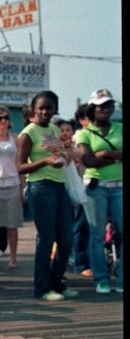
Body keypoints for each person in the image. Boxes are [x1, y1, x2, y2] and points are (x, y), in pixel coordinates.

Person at [16, 90, 77, 301]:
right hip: (41, 188)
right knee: (46, 238)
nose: (44, 111)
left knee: (66, 239)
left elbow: (57, 153)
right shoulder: (28, 132)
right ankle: (42, 288)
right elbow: (19, 167)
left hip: (59, 186)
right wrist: (44, 162)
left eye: (48, 108)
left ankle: (57, 282)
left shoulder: (54, 129)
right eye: (40, 108)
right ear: (34, 110)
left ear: (54, 109)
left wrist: (65, 156)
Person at [75, 88, 123, 295]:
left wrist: (104, 153)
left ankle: (121, 278)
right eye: (101, 106)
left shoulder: (120, 128)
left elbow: (96, 158)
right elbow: (88, 160)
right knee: (97, 234)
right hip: (96, 188)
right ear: (92, 109)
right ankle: (101, 278)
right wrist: (116, 156)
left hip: (119, 186)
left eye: (109, 105)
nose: (106, 109)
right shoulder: (84, 133)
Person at [0, 107, 23, 271]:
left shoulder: (15, 138)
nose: (3, 121)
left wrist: (23, 186)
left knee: (12, 225)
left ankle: (13, 258)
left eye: (6, 118)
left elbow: (20, 163)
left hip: (13, 183)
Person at [57, 117, 90, 277]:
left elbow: (78, 157)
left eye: (68, 130)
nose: (65, 133)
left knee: (77, 227)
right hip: (62, 190)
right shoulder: (55, 147)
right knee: (62, 229)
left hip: (77, 191)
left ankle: (78, 261)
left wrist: (70, 149)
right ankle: (60, 263)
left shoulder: (76, 146)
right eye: (62, 130)